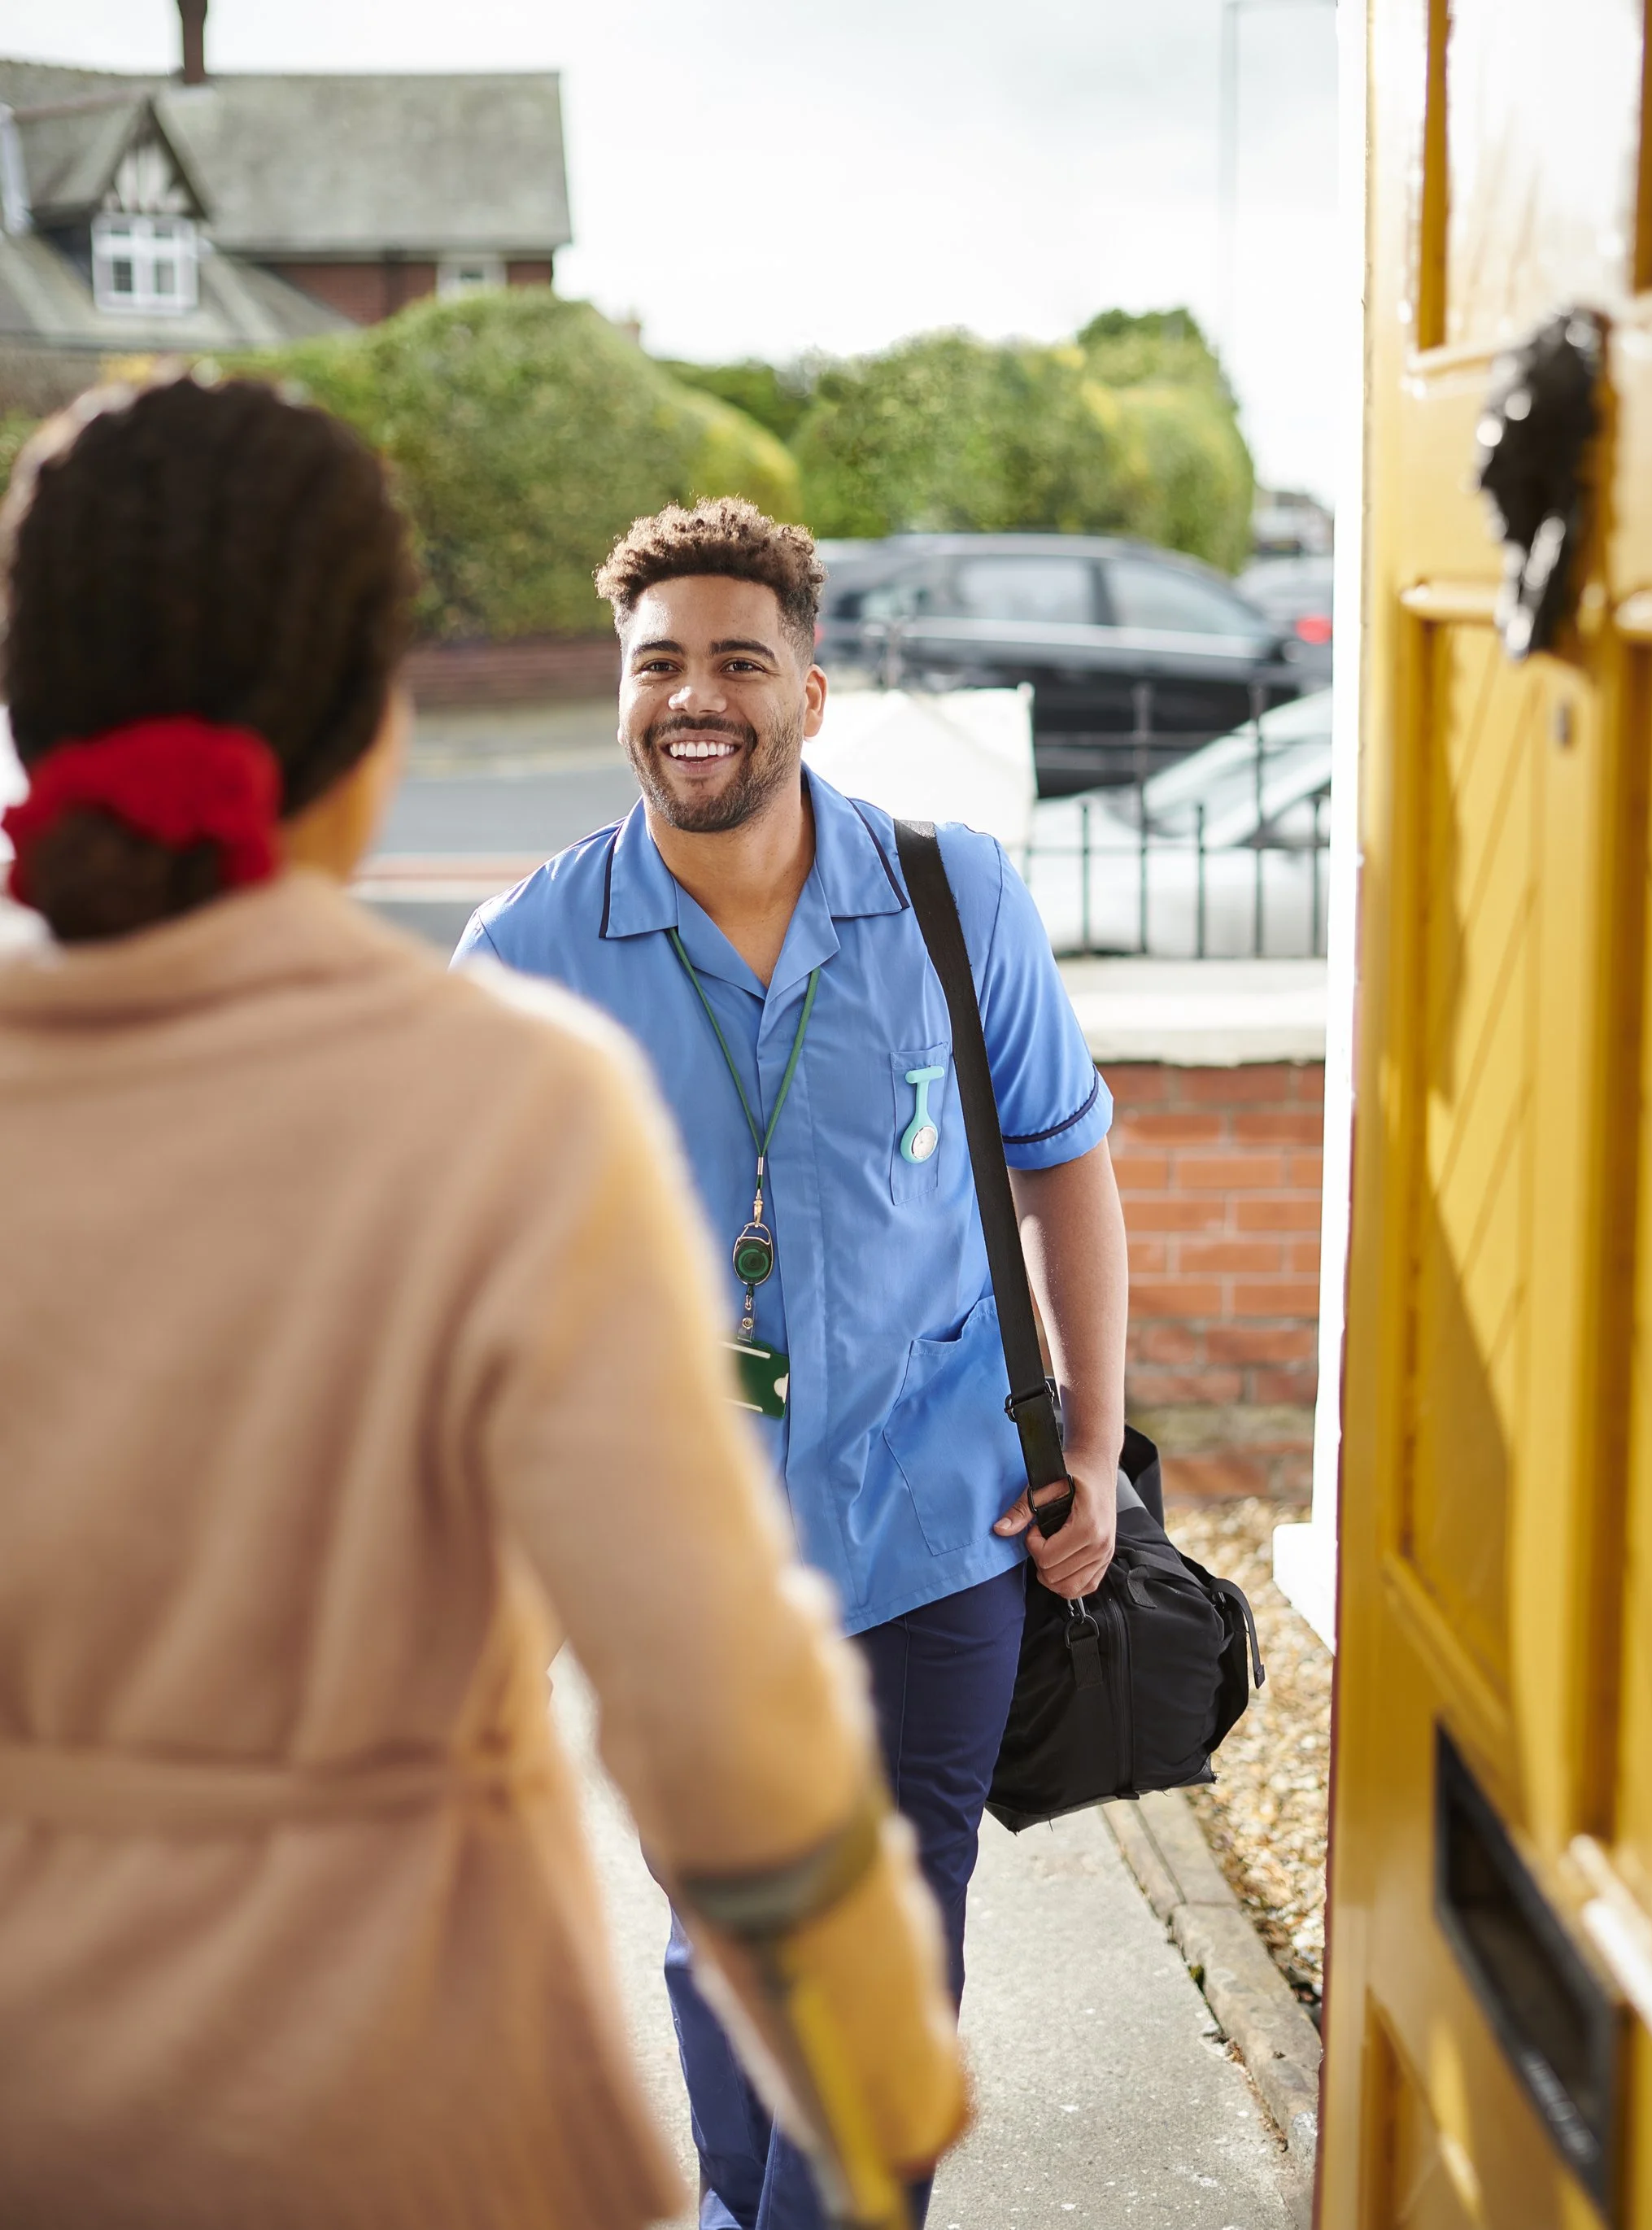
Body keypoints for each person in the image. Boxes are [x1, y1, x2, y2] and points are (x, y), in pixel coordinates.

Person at [0, 380, 965, 2229]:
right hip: (418, 2123)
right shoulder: (508, 1101)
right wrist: (878, 2075)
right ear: (373, 721)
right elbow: (713, 1712)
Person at [453, 497, 1131, 2230]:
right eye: (658, 661)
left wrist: (1094, 1444)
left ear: (809, 694)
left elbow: (1062, 1159)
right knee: (725, 1944)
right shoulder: (527, 954)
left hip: (934, 1530)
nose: (695, 695)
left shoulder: (948, 894)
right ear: (621, 691)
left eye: (737, 660)